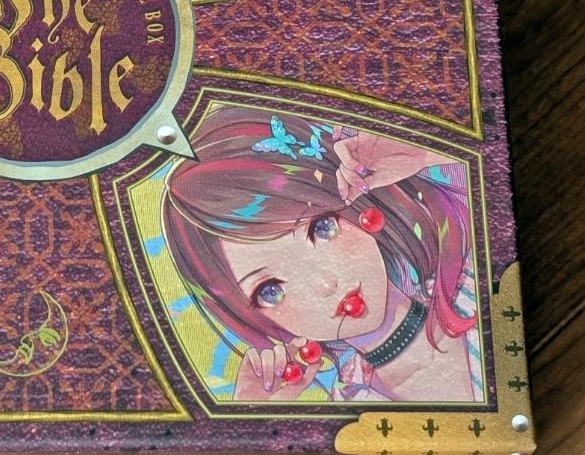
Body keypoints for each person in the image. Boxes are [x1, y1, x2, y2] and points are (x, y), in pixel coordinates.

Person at [162, 107, 480, 401]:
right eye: (271, 291)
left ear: (352, 204)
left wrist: (422, 151)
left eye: (322, 228)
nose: (325, 285)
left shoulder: (475, 281)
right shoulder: (352, 403)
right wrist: (256, 421)